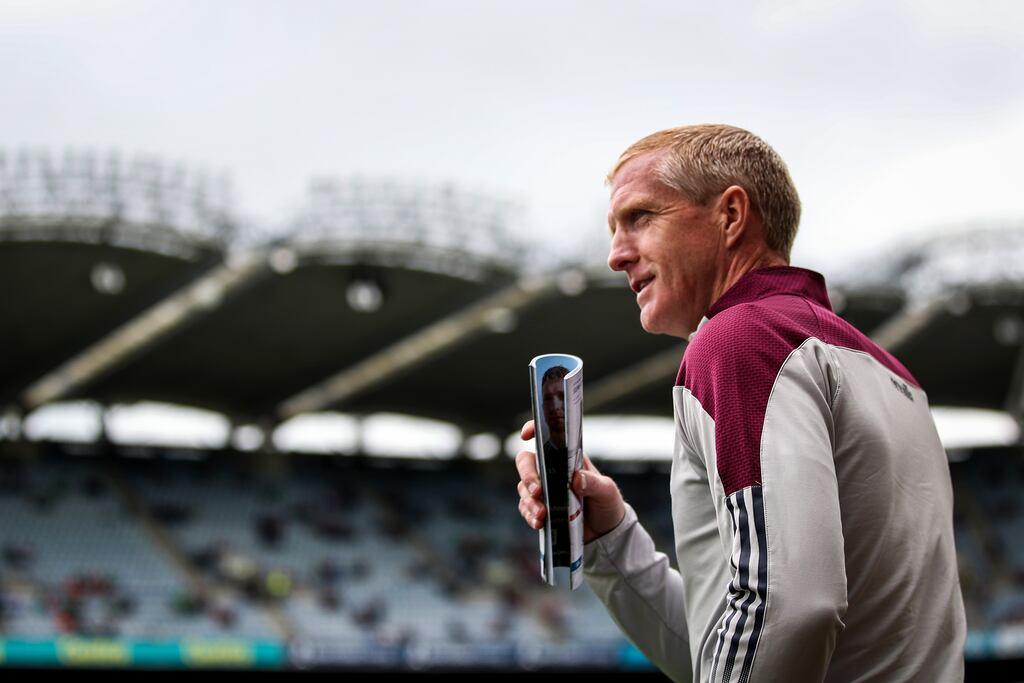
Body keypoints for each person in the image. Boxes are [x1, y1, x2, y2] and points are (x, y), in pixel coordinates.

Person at [515, 124, 966, 682]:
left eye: (641, 217)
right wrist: (609, 538)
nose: (615, 255)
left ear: (730, 216)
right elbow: (733, 647)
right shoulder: (895, 376)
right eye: (613, 229)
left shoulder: (742, 338)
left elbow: (787, 605)